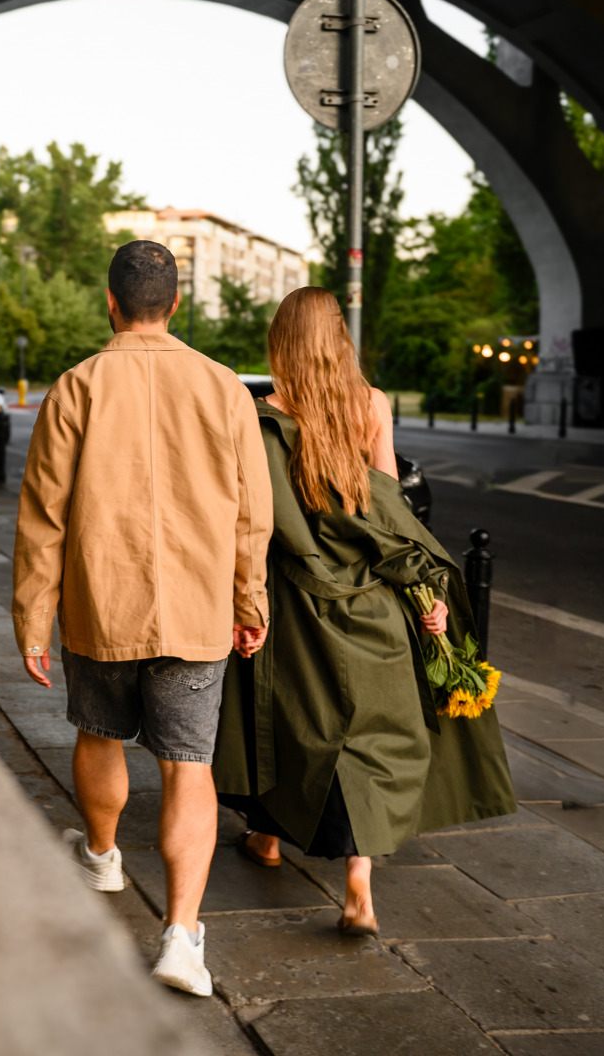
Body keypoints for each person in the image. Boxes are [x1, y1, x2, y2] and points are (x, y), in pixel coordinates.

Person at [212, 286, 516, 936]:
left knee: (285, 724)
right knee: (369, 736)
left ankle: (266, 838)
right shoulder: (370, 405)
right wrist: (424, 594)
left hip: (291, 600)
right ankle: (358, 884)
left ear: (281, 344)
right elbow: (391, 516)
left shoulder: (259, 416)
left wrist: (243, 600)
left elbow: (251, 521)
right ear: (338, 340)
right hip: (372, 595)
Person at [12, 240, 273, 996]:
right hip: (196, 607)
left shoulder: (76, 386)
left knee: (99, 732)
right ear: (176, 305)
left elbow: (43, 515)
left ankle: (99, 855)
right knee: (188, 761)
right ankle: (181, 938)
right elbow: (252, 513)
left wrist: (33, 616)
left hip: (102, 598)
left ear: (110, 301)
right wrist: (248, 601)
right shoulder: (223, 387)